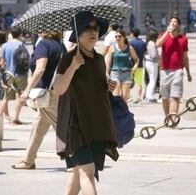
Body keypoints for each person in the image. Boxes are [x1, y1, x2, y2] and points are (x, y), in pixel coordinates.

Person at [53, 11, 119, 195]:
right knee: (87, 172)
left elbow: (96, 91)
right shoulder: (68, 58)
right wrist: (73, 66)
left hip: (96, 125)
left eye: (96, 28)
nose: (93, 32)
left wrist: (108, 87)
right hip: (75, 126)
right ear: (78, 32)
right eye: (87, 28)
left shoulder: (99, 60)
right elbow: (58, 89)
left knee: (77, 174)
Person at [12, 31, 66, 169]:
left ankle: (74, 159)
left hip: (45, 93)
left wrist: (27, 90)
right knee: (38, 126)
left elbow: (40, 68)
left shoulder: (43, 45)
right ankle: (28, 160)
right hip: (56, 90)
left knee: (60, 126)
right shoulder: (60, 45)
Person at [156, 16, 192, 117]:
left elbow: (185, 58)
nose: (173, 23)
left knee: (175, 96)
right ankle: (167, 119)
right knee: (165, 97)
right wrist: (167, 32)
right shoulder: (163, 35)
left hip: (178, 71)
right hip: (165, 70)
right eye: (171, 21)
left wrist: (188, 73)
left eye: (175, 22)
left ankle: (173, 120)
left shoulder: (183, 39)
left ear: (178, 25)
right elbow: (157, 44)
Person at [0, 27, 28, 125]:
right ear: (20, 34)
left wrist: (2, 76)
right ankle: (16, 118)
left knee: (5, 97)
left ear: (11, 34)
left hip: (9, 73)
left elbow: (2, 63)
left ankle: (4, 118)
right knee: (20, 96)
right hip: (21, 73)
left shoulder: (5, 46)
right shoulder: (22, 44)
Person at [105, 29, 139, 102]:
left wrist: (135, 66)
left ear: (124, 37)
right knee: (115, 96)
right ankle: (115, 113)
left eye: (119, 36)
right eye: (116, 36)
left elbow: (136, 59)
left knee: (124, 97)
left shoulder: (129, 48)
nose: (117, 38)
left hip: (126, 74)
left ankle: (124, 113)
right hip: (115, 73)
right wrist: (107, 72)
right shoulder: (112, 47)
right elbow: (108, 61)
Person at [129, 28, 146, 103]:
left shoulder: (131, 42)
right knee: (139, 82)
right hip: (140, 65)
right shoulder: (142, 42)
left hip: (131, 64)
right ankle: (139, 97)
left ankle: (130, 97)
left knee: (128, 81)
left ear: (133, 33)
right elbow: (145, 52)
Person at [144, 30, 160, 103]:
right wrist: (159, 56)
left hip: (148, 62)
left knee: (151, 80)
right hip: (152, 63)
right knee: (153, 80)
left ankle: (148, 95)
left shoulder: (148, 42)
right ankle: (150, 96)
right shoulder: (152, 43)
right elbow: (153, 55)